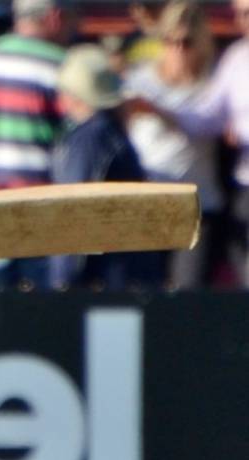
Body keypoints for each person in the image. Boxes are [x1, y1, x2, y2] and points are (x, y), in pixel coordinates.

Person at [0, 0, 76, 289]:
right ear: (55, 17)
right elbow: (75, 135)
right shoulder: (59, 64)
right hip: (40, 206)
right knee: (42, 300)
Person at [142, 0, 249, 288]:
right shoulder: (238, 59)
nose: (243, 22)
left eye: (186, 42)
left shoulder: (216, 72)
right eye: (239, 14)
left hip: (201, 204)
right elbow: (208, 117)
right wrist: (163, 113)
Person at [123, 0, 225, 289]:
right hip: (147, 202)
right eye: (170, 41)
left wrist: (162, 113)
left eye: (186, 42)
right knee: (144, 289)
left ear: (201, 43)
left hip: (196, 205)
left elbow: (207, 125)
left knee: (187, 290)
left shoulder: (212, 83)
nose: (177, 49)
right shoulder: (140, 80)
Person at [52, 45, 156, 288]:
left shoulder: (89, 139)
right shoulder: (111, 133)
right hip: (125, 271)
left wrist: (62, 280)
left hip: (101, 279)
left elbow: (73, 210)